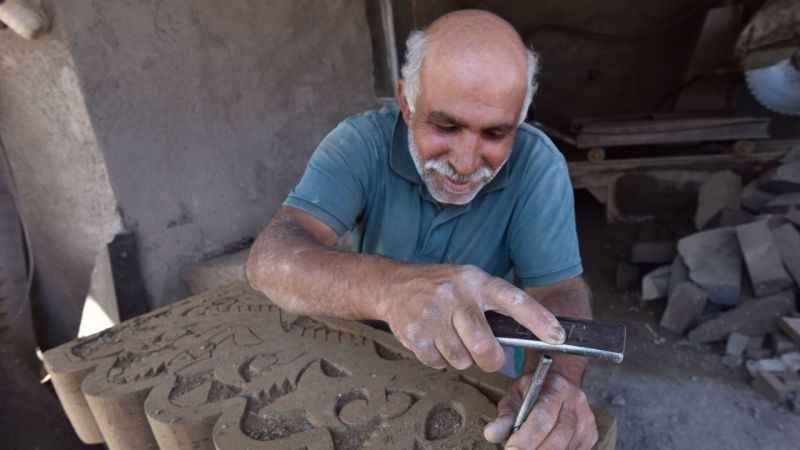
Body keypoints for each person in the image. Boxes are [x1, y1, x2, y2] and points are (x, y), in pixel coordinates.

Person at [246, 9, 597, 450]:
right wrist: (391, 289)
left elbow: (558, 291)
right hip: (366, 355)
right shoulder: (361, 144)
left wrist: (556, 383)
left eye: (494, 134)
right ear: (406, 102)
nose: (466, 163)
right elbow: (271, 259)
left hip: (480, 365)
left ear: (519, 123)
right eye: (445, 126)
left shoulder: (536, 165)